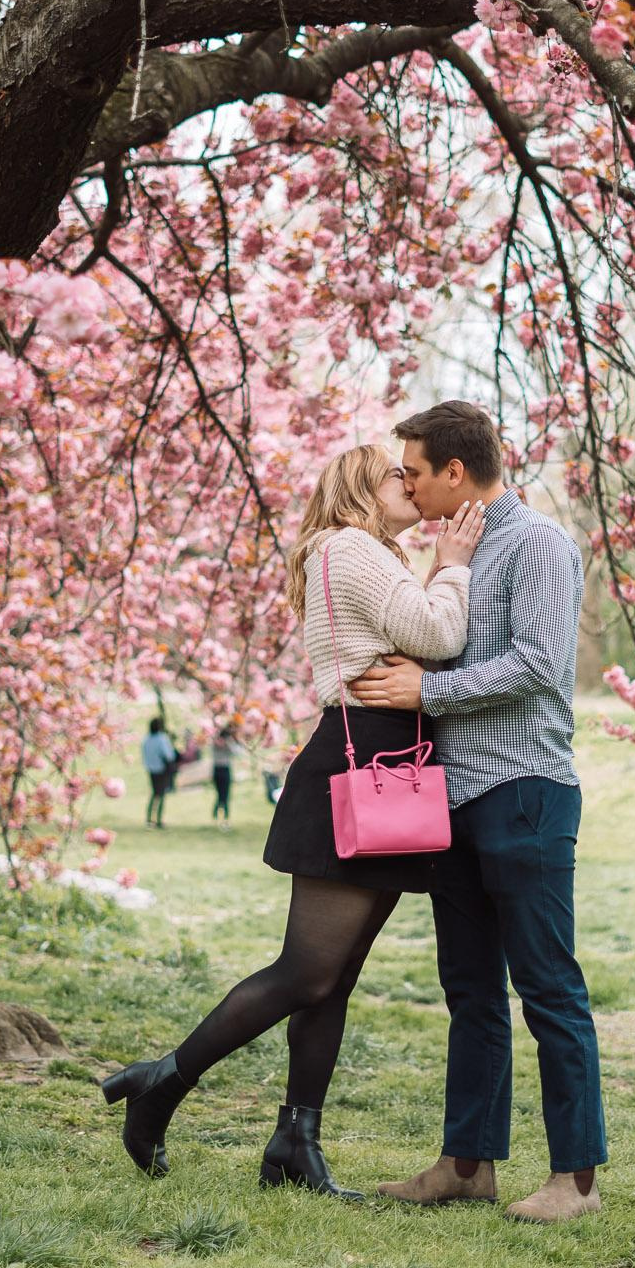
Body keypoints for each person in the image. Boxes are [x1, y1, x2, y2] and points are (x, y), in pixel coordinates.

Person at [102, 444, 486, 1196]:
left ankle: (294, 1140)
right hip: (359, 763)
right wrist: (454, 563)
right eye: (395, 476)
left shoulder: (371, 553)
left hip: (389, 766)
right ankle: (163, 1082)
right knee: (306, 969)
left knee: (335, 977)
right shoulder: (350, 547)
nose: (409, 485)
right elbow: (439, 637)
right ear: (359, 489)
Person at [351, 400, 607, 1224]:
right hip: (454, 796)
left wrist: (431, 688)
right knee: (468, 987)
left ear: (455, 472)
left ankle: (577, 1181)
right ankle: (467, 1164)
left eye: (416, 472)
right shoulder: (456, 550)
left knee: (547, 987)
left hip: (525, 788)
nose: (409, 486)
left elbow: (537, 663)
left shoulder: (538, 544)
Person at [141, 718, 178, 829]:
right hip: (161, 769)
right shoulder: (162, 738)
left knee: (154, 793)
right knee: (161, 795)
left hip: (151, 769)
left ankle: (149, 818)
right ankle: (158, 819)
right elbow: (169, 755)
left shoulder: (146, 739)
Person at [210, 725, 238, 829]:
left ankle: (218, 815)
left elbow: (236, 752)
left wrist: (228, 743)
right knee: (222, 794)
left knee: (223, 795)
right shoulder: (215, 743)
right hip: (220, 769)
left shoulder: (227, 744)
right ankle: (223, 818)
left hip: (221, 769)